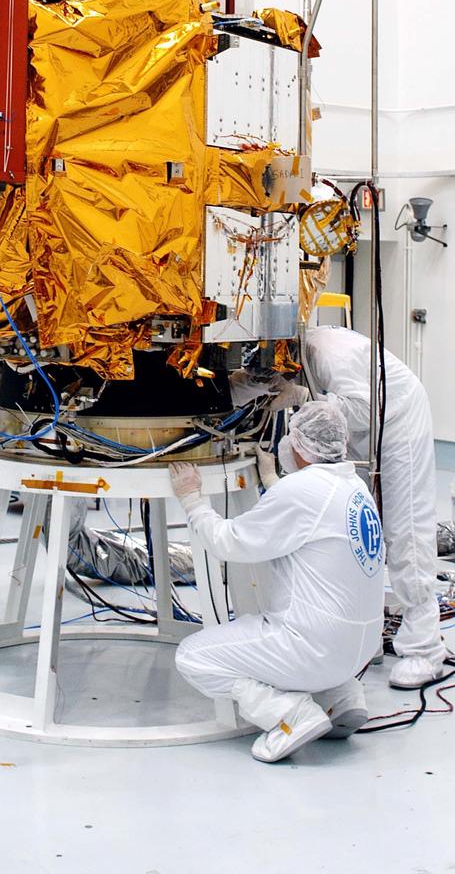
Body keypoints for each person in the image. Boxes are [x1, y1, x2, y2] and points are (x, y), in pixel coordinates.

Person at [170, 400, 384, 763]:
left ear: (298, 444)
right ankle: (341, 700)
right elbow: (304, 520)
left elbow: (229, 542)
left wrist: (192, 500)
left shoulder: (301, 492)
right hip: (360, 650)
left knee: (193, 658)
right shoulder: (355, 487)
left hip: (313, 649)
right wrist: (271, 481)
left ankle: (289, 715)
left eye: (290, 437)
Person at [304, 326, 446, 689]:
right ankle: (362, 629)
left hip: (397, 414)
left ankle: (424, 648)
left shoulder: (327, 352)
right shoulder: (299, 358)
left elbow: (367, 406)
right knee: (351, 522)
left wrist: (309, 402)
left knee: (406, 527)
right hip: (357, 425)